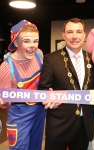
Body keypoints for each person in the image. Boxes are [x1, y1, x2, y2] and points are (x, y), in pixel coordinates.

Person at [38, 18, 94, 150]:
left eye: (79, 32)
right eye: (70, 32)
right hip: (59, 125)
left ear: (84, 35)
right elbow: (43, 89)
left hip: (84, 126)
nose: (75, 36)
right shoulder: (51, 59)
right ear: (63, 35)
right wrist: (47, 97)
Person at [0, 20, 45, 150]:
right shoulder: (6, 67)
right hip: (19, 116)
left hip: (39, 112)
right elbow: (4, 99)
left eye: (35, 41)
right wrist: (3, 102)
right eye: (26, 41)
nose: (32, 46)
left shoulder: (39, 55)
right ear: (15, 42)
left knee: (35, 146)